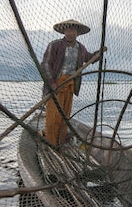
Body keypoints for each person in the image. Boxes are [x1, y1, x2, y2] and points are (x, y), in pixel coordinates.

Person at [40, 19, 100, 147]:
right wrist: (52, 84)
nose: (69, 33)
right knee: (53, 116)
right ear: (63, 31)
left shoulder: (80, 48)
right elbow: (45, 65)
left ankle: (60, 142)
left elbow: (89, 58)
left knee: (64, 116)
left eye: (72, 30)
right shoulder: (55, 45)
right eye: (67, 30)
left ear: (77, 33)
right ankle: (51, 143)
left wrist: (98, 54)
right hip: (56, 85)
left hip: (70, 86)